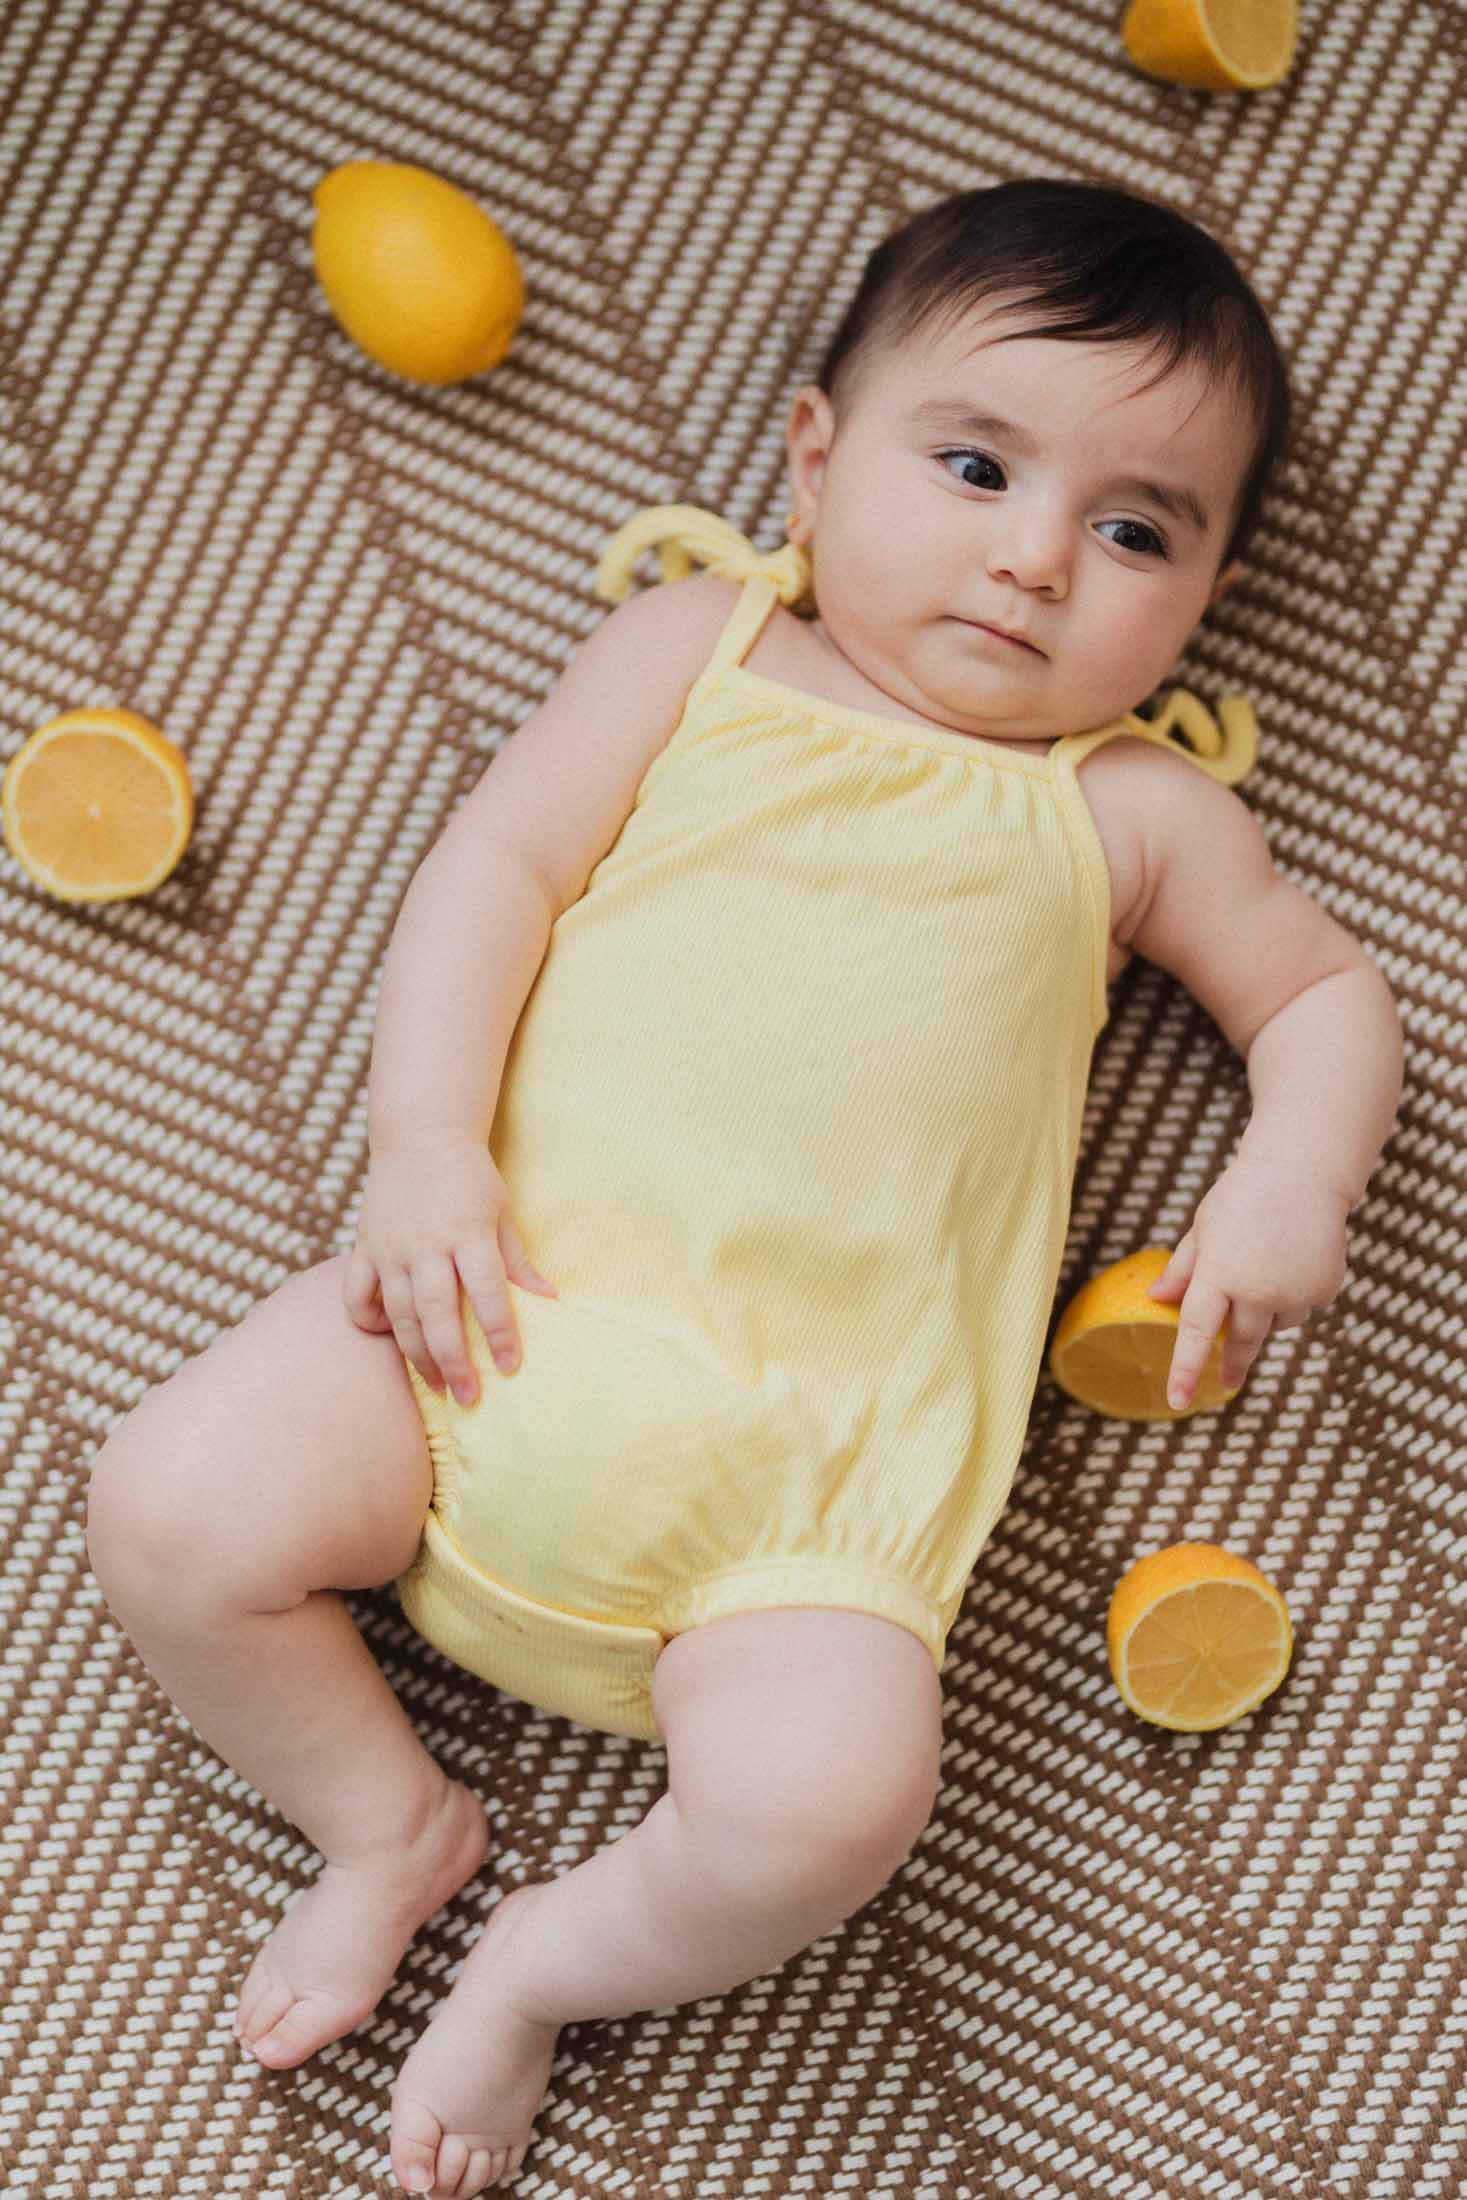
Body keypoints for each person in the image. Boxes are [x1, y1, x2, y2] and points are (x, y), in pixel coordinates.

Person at [83, 178, 1404, 2196]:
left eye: (1138, 530)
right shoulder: (696, 650)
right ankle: (383, 1821)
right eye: (974, 466)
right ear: (811, 455)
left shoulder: (1130, 810)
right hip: (474, 1323)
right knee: (168, 1506)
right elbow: (494, 869)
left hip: (805, 1496)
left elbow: (1320, 992)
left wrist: (1291, 1181)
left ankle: (540, 1963)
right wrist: (422, 1141)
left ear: (1208, 591)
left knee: (831, 1808)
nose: (1035, 556)